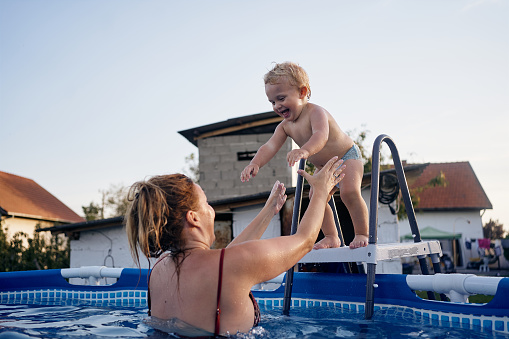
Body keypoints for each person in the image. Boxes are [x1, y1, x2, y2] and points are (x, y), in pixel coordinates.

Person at [125, 157, 345, 337]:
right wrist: (320, 192)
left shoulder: (159, 271)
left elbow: (227, 261)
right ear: (193, 218)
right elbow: (305, 240)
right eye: (206, 204)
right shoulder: (230, 266)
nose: (212, 211)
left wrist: (268, 212)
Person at [240, 62, 369, 249]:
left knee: (349, 192)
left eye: (281, 98)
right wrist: (255, 163)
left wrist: (305, 151)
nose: (277, 106)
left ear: (302, 92)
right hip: (324, 168)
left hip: (346, 156)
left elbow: (321, 136)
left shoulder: (316, 112)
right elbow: (269, 146)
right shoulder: (284, 126)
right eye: (272, 102)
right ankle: (332, 237)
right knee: (317, 199)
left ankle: (362, 233)